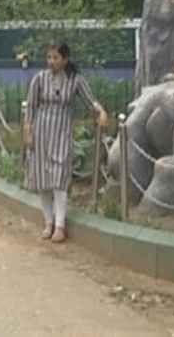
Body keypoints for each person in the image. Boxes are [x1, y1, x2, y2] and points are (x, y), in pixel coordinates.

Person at [23, 42, 108, 243]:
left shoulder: (75, 80)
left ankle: (60, 225)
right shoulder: (39, 79)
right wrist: (28, 132)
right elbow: (30, 108)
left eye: (55, 58)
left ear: (65, 59)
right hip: (41, 131)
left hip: (62, 133)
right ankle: (48, 222)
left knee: (60, 178)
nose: (51, 61)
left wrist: (101, 111)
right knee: (43, 179)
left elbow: (90, 101)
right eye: (49, 57)